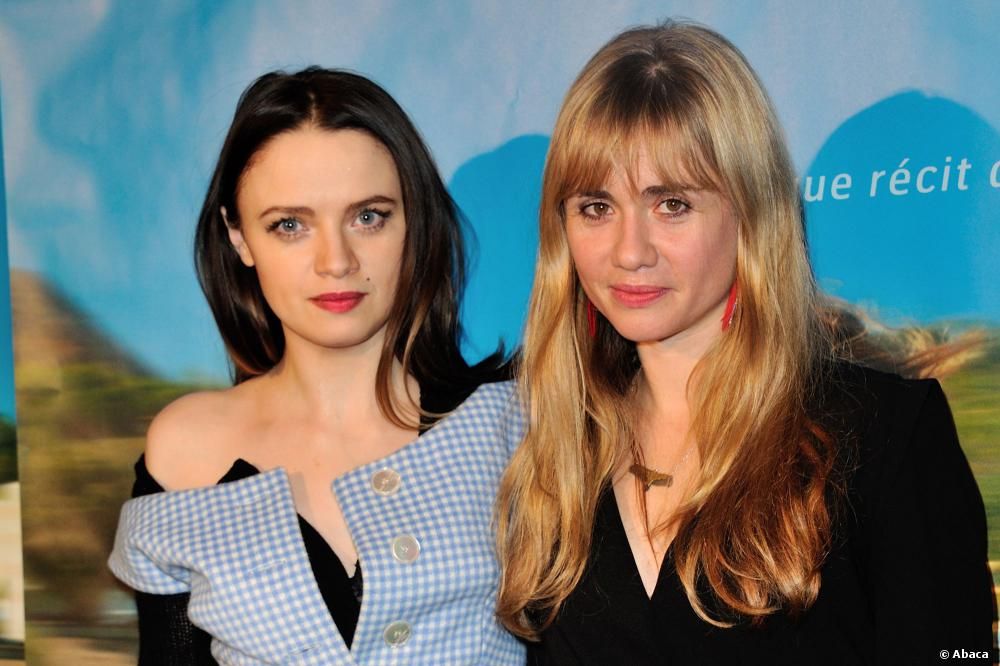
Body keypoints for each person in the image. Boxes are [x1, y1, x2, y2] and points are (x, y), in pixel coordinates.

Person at [496, 21, 996, 665]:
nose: (629, 251)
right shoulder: (549, 456)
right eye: (596, 207)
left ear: (751, 213)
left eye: (671, 204)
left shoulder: (884, 437)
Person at [108, 68, 525, 665]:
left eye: (368, 216)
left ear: (415, 221)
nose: (336, 260)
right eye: (290, 225)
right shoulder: (184, 447)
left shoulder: (515, 426)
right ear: (238, 237)